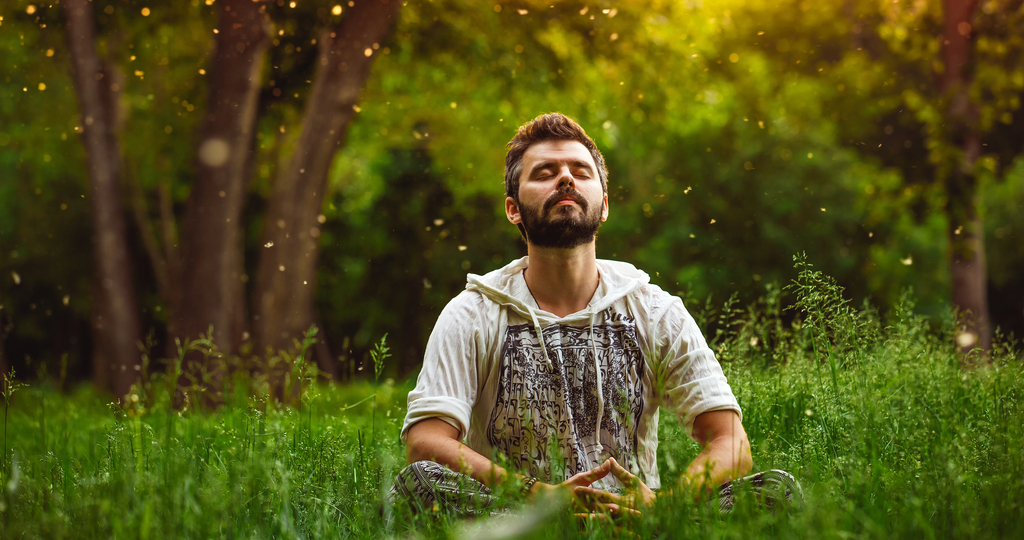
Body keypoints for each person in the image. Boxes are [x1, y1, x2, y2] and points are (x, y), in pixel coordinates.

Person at [389, 113, 799, 522]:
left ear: (603, 205)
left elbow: (730, 441)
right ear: (513, 209)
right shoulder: (473, 312)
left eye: (579, 171)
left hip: (636, 521)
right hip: (522, 520)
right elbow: (426, 442)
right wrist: (539, 498)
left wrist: (664, 508)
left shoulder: (655, 311)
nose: (565, 179)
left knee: (777, 491)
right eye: (545, 172)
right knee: (418, 485)